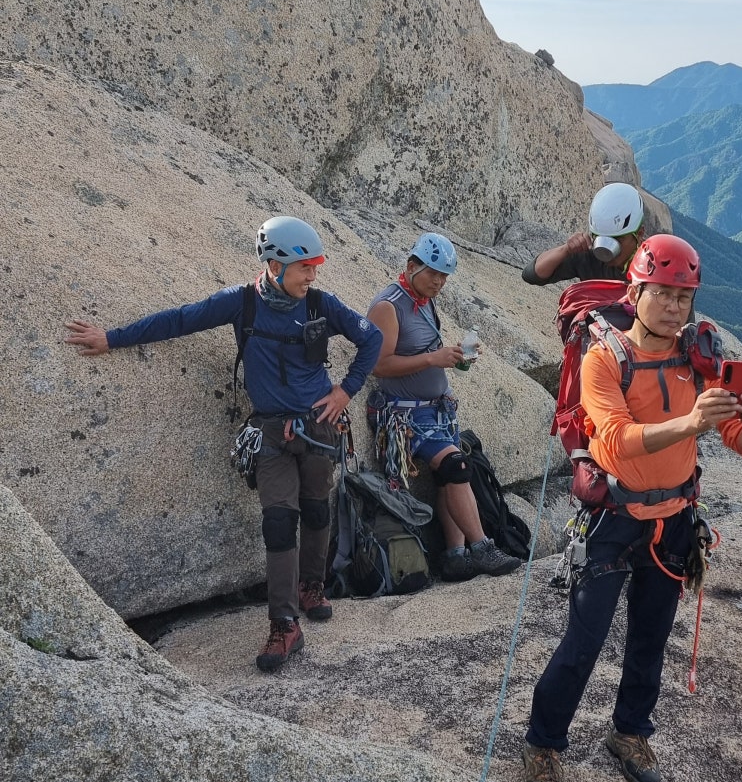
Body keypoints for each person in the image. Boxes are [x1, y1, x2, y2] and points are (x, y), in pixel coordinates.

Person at [522, 233, 742, 782]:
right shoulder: (603, 355)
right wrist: (691, 424)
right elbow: (613, 441)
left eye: (683, 298)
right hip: (613, 514)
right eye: (663, 293)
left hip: (673, 520)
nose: (674, 307)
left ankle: (630, 729)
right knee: (583, 641)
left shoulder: (698, 358)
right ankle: (542, 741)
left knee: (651, 636)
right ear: (634, 291)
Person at [65, 216, 383, 674]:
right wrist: (111, 338)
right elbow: (179, 320)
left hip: (318, 429)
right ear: (275, 265)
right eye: (305, 267)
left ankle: (312, 586)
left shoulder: (320, 304)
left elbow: (371, 338)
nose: (313, 276)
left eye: (315, 267)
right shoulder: (242, 304)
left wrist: (345, 391)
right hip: (270, 433)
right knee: (278, 522)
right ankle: (284, 624)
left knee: (316, 510)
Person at [366, 234, 520, 582]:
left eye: (444, 276)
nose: (439, 282)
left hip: (436, 410)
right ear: (411, 266)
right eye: (433, 273)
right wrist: (433, 358)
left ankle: (455, 555)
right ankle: (482, 548)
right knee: (455, 466)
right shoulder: (388, 306)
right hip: (405, 413)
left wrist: (451, 356)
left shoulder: (424, 300)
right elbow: (379, 365)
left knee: (445, 477)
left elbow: (419, 351)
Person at [521, 182, 647, 285]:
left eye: (617, 239)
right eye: (600, 237)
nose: (607, 248)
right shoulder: (590, 257)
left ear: (639, 234)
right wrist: (566, 249)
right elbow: (532, 275)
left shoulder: (653, 265)